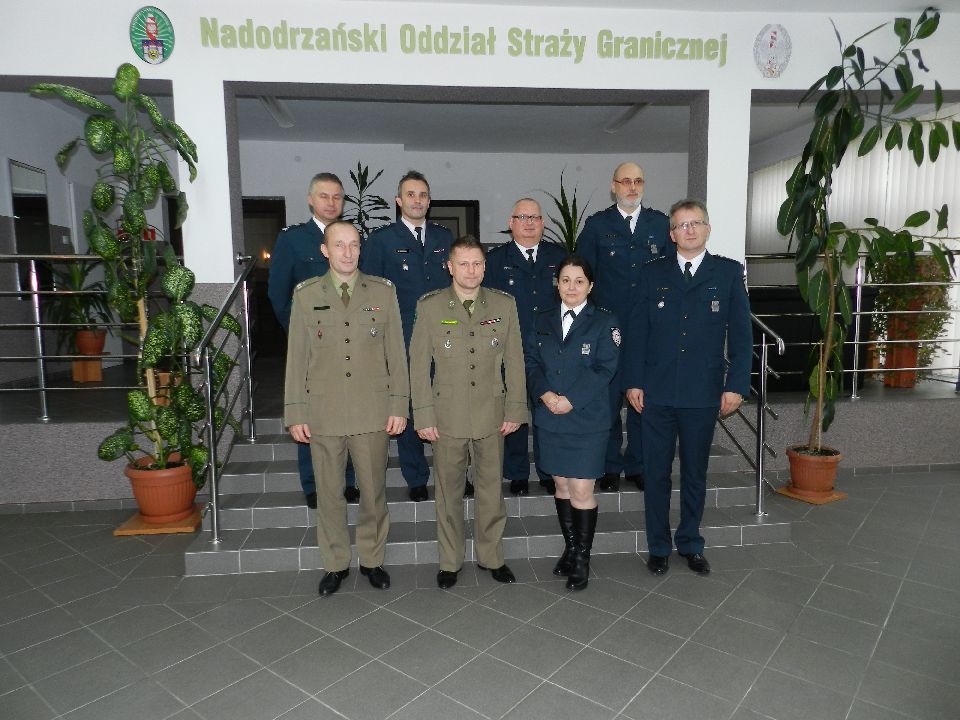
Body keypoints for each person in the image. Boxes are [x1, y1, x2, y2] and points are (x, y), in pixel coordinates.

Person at [623, 199, 752, 577]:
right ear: (672, 234)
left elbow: (741, 337)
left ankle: (691, 543)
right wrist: (633, 381)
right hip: (657, 392)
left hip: (703, 392)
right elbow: (637, 331)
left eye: (696, 223)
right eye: (682, 225)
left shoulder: (727, 273)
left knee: (695, 473)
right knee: (656, 474)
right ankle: (659, 547)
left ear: (707, 229)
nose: (689, 230)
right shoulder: (652, 273)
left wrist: (736, 385)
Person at [284, 221, 409, 596]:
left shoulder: (383, 292)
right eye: (339, 245)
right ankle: (336, 563)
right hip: (324, 412)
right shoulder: (306, 294)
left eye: (354, 244)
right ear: (325, 250)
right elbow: (297, 358)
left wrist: (398, 404)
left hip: (372, 411)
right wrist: (296, 411)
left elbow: (396, 354)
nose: (347, 252)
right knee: (329, 494)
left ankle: (372, 559)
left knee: (373, 493)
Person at [409, 235, 526, 589]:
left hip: (492, 414)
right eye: (463, 264)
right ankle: (450, 561)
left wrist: (515, 408)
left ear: (485, 266)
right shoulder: (430, 307)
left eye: (477, 263)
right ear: (450, 267)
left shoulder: (504, 304)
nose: (471, 270)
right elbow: (418, 366)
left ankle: (492, 557)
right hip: (447, 416)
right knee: (448, 494)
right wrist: (423, 415)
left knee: (491, 491)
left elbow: (515, 361)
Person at [525, 256, 619, 590]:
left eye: (579, 281)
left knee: (581, 490)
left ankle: (582, 558)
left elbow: (605, 368)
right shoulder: (542, 319)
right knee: (562, 486)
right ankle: (570, 547)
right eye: (565, 280)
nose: (571, 287)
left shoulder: (605, 321)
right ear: (557, 284)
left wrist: (571, 399)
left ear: (590, 286)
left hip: (587, 420)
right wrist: (545, 394)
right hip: (550, 417)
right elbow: (531, 362)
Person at [576, 162, 670, 493]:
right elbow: (583, 275)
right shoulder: (597, 225)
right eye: (625, 181)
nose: (632, 187)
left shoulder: (660, 224)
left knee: (644, 402)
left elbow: (671, 274)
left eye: (638, 181)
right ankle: (610, 466)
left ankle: (638, 465)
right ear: (613, 186)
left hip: (649, 331)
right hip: (608, 332)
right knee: (609, 401)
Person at [361, 170, 455, 502]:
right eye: (411, 195)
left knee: (448, 403)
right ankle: (416, 476)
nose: (418, 200)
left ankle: (453, 473)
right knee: (410, 404)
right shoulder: (382, 240)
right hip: (402, 338)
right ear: (399, 201)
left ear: (429, 201)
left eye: (423, 195)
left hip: (445, 336)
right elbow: (371, 292)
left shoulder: (445, 238)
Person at [267, 172, 357, 508]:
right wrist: (301, 334)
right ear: (310, 199)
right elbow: (278, 294)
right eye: (324, 196)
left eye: (337, 197)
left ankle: (348, 481)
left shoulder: (351, 237)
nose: (331, 203)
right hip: (313, 347)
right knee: (311, 414)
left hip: (350, 343)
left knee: (349, 409)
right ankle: (314, 483)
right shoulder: (293, 240)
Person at [484, 198, 567, 496]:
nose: (529, 223)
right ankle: (517, 472)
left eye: (535, 218)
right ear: (511, 223)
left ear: (543, 223)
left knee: (546, 413)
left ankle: (548, 470)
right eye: (522, 217)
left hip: (550, 350)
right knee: (514, 410)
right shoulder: (495, 260)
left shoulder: (559, 257)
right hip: (510, 349)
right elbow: (486, 305)